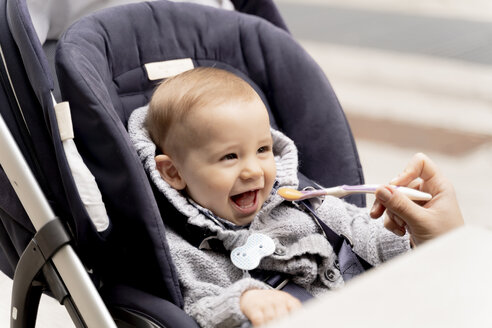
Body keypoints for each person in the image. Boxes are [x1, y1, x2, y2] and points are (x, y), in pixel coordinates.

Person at [128, 67, 463, 328]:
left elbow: (364, 232)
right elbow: (200, 302)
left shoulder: (303, 201)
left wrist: (416, 243)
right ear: (174, 173)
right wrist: (244, 301)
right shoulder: (184, 246)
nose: (253, 171)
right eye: (229, 157)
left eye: (262, 150)